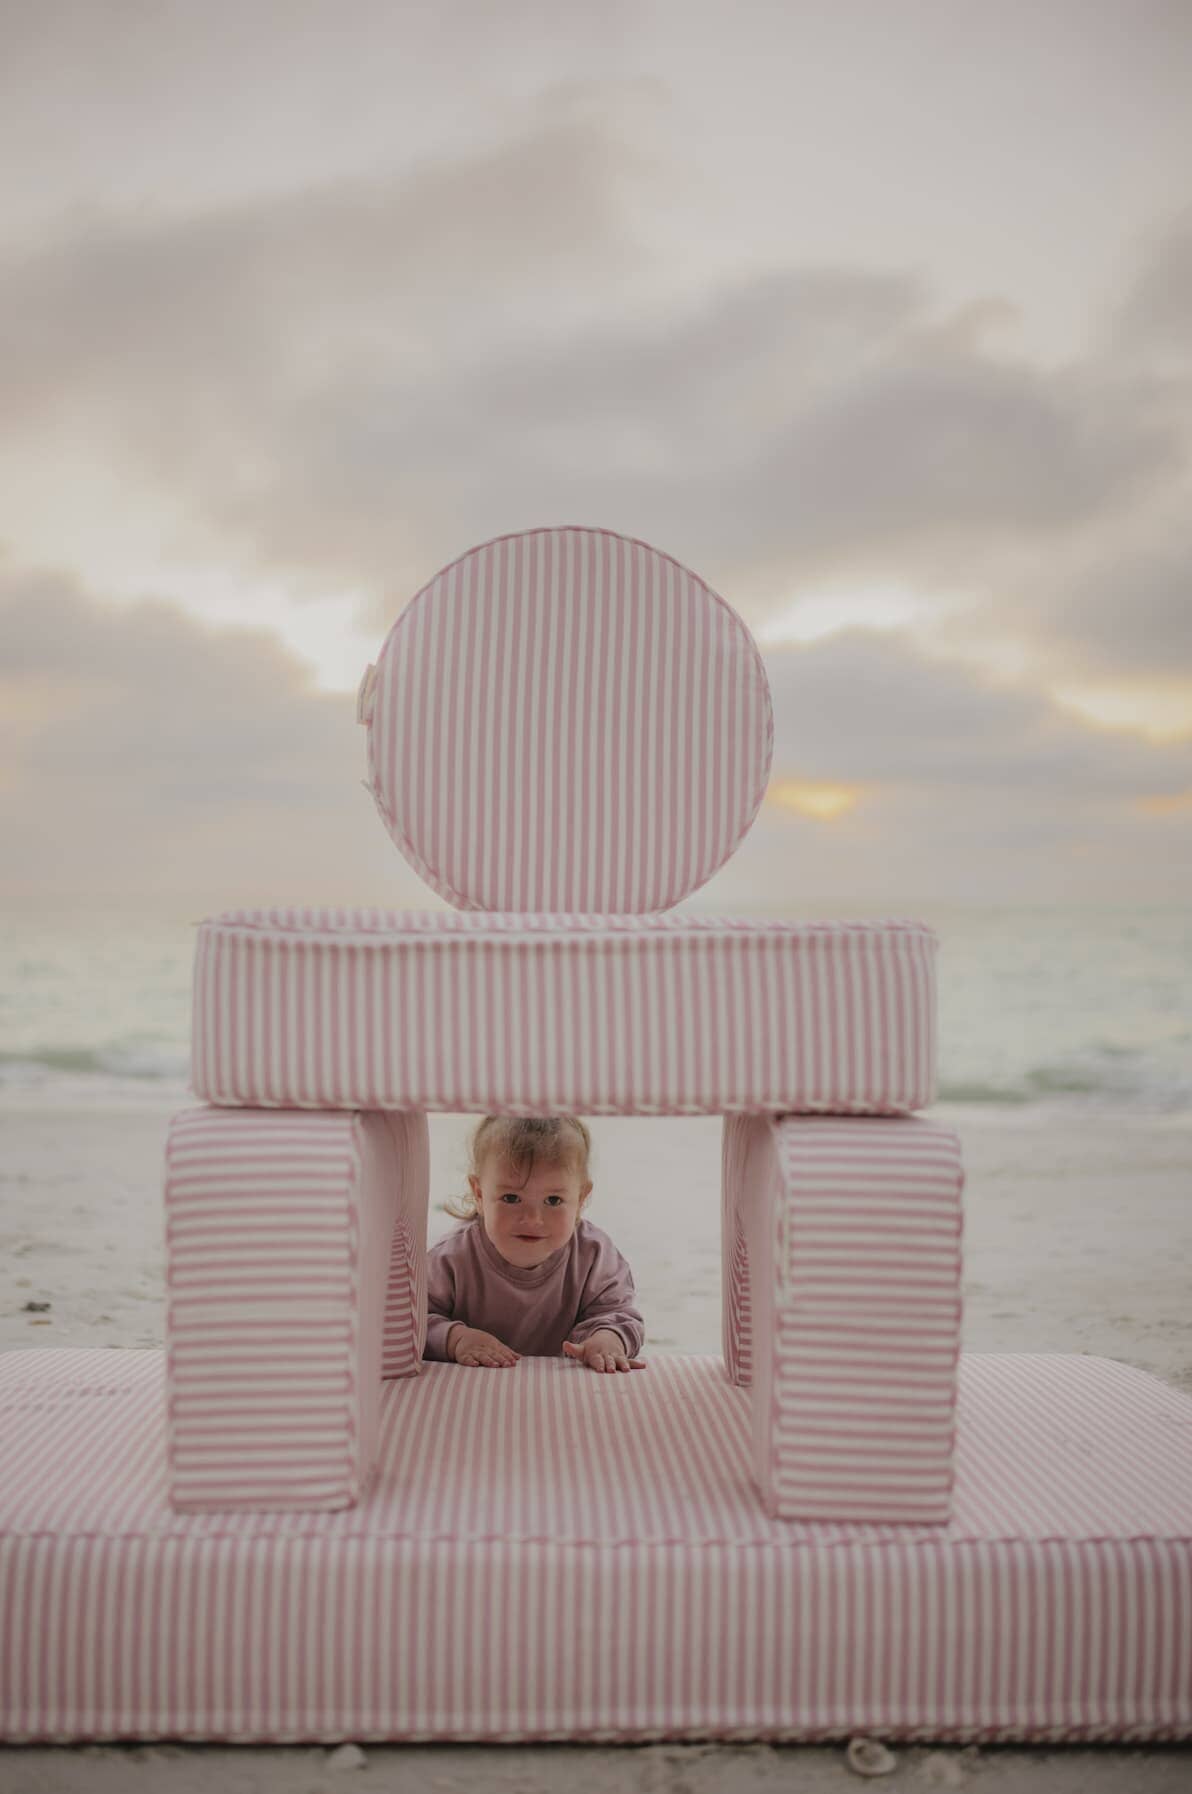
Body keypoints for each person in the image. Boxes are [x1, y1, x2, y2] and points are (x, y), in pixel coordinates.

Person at [424, 1114, 645, 1373]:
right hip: (475, 1389)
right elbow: (409, 1322)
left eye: (553, 1200)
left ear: (581, 1198)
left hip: (563, 1390)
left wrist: (607, 1338)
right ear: (480, 1194)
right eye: (510, 1198)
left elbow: (619, 1314)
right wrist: (456, 1339)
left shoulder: (594, 1254)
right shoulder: (451, 1257)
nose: (532, 1219)